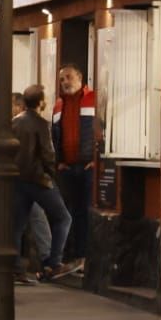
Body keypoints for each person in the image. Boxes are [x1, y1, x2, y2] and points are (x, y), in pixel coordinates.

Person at [14, 85, 80, 283]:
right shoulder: (41, 124)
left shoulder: (14, 123)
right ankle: (53, 263)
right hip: (38, 178)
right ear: (41, 102)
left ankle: (15, 269)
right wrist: (52, 176)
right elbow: (47, 154)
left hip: (17, 179)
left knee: (17, 226)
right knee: (63, 218)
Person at [51, 64, 97, 266]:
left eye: (68, 77)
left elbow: (103, 129)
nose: (65, 82)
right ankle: (69, 255)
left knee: (84, 211)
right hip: (67, 168)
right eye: (62, 79)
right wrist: (59, 161)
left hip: (87, 166)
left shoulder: (92, 99)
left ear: (80, 77)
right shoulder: (59, 105)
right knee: (67, 212)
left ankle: (82, 254)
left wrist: (96, 159)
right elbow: (55, 135)